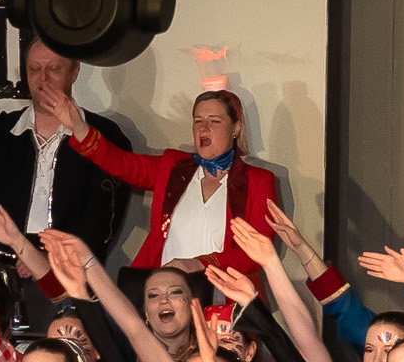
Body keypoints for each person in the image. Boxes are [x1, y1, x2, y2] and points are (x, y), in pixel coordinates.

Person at [0, 40, 137, 260]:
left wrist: (44, 260)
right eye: (34, 69)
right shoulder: (3, 130)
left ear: (75, 72)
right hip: (5, 268)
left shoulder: (104, 136)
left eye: (54, 68)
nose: (43, 78)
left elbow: (102, 218)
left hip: (73, 270)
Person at [65, 90, 282, 278]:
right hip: (163, 295)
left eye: (214, 121)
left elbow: (258, 252)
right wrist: (80, 128)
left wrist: (200, 264)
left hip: (222, 298)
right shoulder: (173, 167)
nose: (203, 128)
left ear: (235, 128)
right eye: (198, 120)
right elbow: (122, 164)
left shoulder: (258, 180)